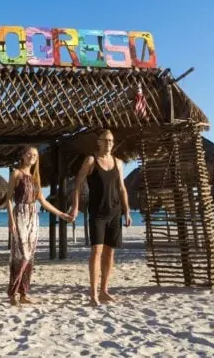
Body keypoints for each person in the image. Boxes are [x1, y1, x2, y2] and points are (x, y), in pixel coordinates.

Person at [71, 129, 132, 305]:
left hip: (115, 212)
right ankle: (93, 294)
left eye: (111, 141)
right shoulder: (91, 160)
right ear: (98, 142)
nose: (109, 144)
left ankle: (104, 290)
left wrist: (127, 210)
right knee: (96, 252)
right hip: (97, 212)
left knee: (110, 252)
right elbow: (78, 184)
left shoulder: (118, 163)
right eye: (105, 140)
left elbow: (121, 188)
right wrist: (75, 207)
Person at [6, 146, 73, 305]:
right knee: (22, 255)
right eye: (29, 154)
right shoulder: (16, 173)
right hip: (20, 214)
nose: (32, 156)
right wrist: (10, 219)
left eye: (35, 155)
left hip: (33, 217)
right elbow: (8, 198)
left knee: (30, 257)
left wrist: (61, 214)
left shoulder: (36, 177)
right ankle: (12, 292)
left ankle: (23, 293)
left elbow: (42, 202)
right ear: (22, 155)